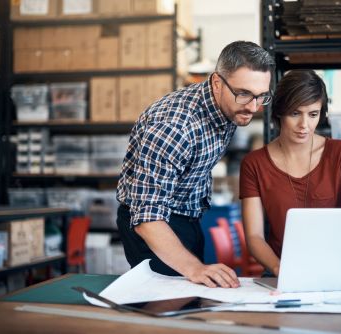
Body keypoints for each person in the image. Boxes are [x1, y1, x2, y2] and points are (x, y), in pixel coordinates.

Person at [116, 41, 275, 288]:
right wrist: (194, 268)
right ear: (216, 83)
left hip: (188, 217)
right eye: (244, 94)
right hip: (153, 225)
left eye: (261, 96)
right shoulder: (174, 127)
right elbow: (147, 216)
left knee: (193, 298)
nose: (253, 107)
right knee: (165, 308)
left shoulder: (231, 106)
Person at [239, 70, 341, 277]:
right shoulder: (254, 164)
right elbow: (254, 237)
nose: (304, 125)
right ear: (279, 112)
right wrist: (278, 268)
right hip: (280, 272)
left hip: (336, 269)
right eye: (295, 113)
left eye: (313, 114)